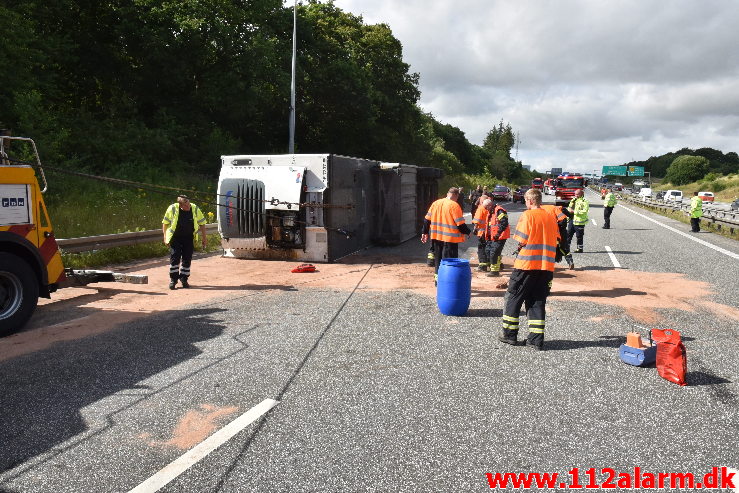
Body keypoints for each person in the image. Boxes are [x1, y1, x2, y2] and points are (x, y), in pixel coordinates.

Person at [499, 188, 559, 350]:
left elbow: (521, 239)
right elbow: (556, 239)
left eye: (526, 201)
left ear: (531, 200)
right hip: (545, 267)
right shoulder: (550, 217)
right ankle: (535, 340)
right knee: (537, 301)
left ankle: (509, 335)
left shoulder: (527, 215)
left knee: (513, 297)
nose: (526, 203)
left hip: (526, 265)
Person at [421, 187, 470, 284]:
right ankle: (447, 283)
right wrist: (468, 232)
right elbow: (460, 224)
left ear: (448, 193)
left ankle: (437, 281)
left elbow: (427, 219)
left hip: (436, 237)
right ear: (456, 195)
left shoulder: (436, 203)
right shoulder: (454, 205)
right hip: (450, 239)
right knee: (449, 263)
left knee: (438, 260)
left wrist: (424, 232)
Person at [162, 195, 207, 290]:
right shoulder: (173, 208)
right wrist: (165, 237)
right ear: (180, 205)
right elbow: (165, 223)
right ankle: (173, 280)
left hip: (189, 238)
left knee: (187, 258)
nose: (188, 207)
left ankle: (184, 278)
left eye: (188, 204)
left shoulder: (194, 208)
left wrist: (204, 238)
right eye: (185, 206)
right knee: (175, 258)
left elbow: (202, 223)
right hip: (175, 238)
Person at [541, 204, 575, 269]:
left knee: (545, 247)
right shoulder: (557, 208)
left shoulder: (538, 210)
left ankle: (545, 264)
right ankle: (570, 261)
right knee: (563, 247)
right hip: (558, 232)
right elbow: (564, 220)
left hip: (545, 232)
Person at [483, 198, 510, 277]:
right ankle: (499, 265)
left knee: (494, 252)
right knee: (488, 251)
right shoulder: (491, 212)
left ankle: (495, 271)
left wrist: (498, 234)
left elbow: (504, 223)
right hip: (492, 236)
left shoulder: (499, 211)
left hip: (500, 236)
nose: (485, 209)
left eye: (486, 207)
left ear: (489, 205)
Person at [471, 196, 491, 272]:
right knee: (488, 248)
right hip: (489, 232)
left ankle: (482, 266)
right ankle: (489, 263)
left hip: (481, 232)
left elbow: (477, 221)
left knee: (481, 249)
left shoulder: (481, 209)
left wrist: (475, 229)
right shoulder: (490, 208)